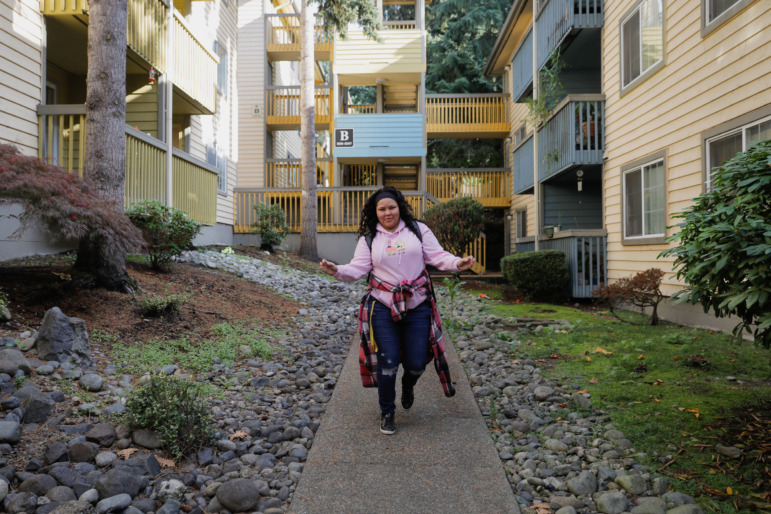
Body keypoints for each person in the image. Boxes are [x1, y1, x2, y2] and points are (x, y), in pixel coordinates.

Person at [320, 186, 475, 435]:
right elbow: (357, 268)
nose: (387, 212)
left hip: (417, 305)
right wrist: (336, 270)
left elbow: (438, 256)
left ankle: (409, 382)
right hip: (382, 305)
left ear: (399, 207)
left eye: (391, 207)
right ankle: (387, 412)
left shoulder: (417, 230)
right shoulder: (370, 239)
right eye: (382, 209)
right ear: (375, 212)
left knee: (415, 363)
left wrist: (458, 263)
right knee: (388, 361)